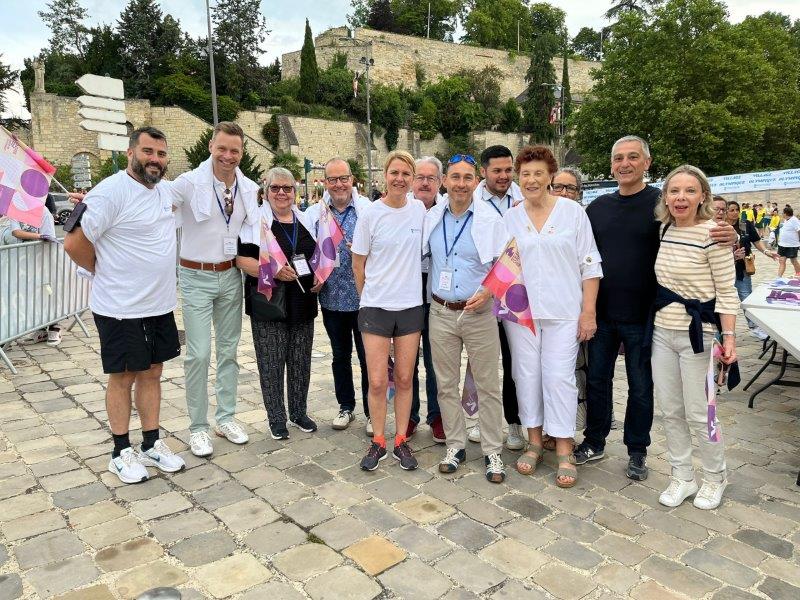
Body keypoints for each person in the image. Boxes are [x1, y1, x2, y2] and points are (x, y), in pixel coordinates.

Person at [577, 135, 736, 481]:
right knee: (598, 381)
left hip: (648, 318)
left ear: (647, 163)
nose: (625, 164)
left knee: (641, 387)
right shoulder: (598, 207)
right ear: (611, 165)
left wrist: (732, 236)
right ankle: (594, 439)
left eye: (633, 157)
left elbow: (697, 229)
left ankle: (637, 450)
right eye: (618, 158)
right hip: (601, 314)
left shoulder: (660, 208)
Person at [63, 127, 185, 484]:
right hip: (120, 307)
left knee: (153, 373)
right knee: (123, 376)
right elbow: (73, 244)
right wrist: (102, 271)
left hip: (158, 305)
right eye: (148, 152)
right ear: (132, 152)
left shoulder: (164, 192)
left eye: (161, 154)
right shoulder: (110, 192)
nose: (155, 160)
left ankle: (151, 442)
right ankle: (120, 450)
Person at [503, 145, 602, 488]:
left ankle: (563, 446)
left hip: (564, 311)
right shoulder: (511, 216)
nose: (531, 180)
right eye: (525, 174)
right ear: (519, 178)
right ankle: (533, 442)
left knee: (559, 377)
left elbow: (590, 263)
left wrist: (588, 312)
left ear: (550, 176)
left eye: (538, 173)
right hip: (521, 313)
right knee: (525, 375)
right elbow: (503, 266)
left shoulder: (572, 213)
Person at [170, 121, 260, 457]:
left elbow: (257, 231)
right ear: (211, 146)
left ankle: (225, 417)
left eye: (234, 150)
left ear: (241, 153)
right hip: (195, 276)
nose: (228, 155)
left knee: (229, 352)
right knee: (198, 354)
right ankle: (197, 427)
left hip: (230, 276)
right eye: (222, 148)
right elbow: (153, 199)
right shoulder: (188, 182)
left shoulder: (248, 188)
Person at [651, 165, 738, 510]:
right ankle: (682, 475)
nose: (681, 198)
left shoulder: (714, 234)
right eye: (674, 191)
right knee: (671, 410)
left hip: (698, 334)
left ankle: (715, 477)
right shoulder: (665, 229)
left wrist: (729, 337)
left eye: (689, 191)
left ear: (703, 195)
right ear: (666, 197)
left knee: (701, 412)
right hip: (662, 331)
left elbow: (727, 291)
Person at [425, 154, 508, 482]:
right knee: (445, 384)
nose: (461, 184)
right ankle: (456, 445)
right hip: (441, 311)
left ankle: (492, 451)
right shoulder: (431, 217)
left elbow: (507, 263)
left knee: (488, 385)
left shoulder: (490, 219)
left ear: (477, 181)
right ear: (445, 180)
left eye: (468, 177)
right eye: (455, 177)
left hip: (478, 312)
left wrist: (488, 292)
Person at [352, 150, 426, 471]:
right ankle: (379, 439)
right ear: (385, 175)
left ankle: (401, 441)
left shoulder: (420, 210)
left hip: (410, 307)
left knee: (406, 378)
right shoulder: (370, 214)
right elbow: (358, 263)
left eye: (406, 174)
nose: (399, 179)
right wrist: (368, 296)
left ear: (412, 179)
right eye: (394, 172)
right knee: (379, 381)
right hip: (376, 308)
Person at [237, 168, 319, 439]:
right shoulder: (255, 222)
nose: (281, 193)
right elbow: (242, 260)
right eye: (275, 188)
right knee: (271, 362)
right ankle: (277, 418)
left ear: (295, 192)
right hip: (269, 302)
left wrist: (321, 276)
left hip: (303, 300)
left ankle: (298, 412)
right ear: (265, 191)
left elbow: (319, 255)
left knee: (300, 361)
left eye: (287, 188)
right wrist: (271, 270)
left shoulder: (305, 219)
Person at [302, 158, 372, 432]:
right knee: (339, 356)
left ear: (352, 179)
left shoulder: (367, 210)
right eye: (332, 180)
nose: (339, 184)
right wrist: (313, 275)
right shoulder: (314, 213)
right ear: (325, 183)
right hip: (332, 298)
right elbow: (307, 251)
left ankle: (371, 411)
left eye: (343, 178)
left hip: (363, 298)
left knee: (368, 357)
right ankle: (346, 406)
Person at [470, 145, 525, 451]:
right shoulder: (472, 201)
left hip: (517, 292)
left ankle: (515, 423)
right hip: (484, 293)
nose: (504, 176)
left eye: (508, 170)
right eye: (497, 171)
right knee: (483, 364)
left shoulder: (523, 198)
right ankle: (483, 420)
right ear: (484, 172)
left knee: (516, 362)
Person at [409, 156, 443, 443]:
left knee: (436, 359)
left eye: (431, 178)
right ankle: (409, 415)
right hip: (405, 289)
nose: (424, 182)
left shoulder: (448, 210)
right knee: (407, 358)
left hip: (436, 291)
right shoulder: (399, 208)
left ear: (439, 182)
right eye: (420, 176)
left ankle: (438, 415)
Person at [3, 202, 61, 346]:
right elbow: (16, 232)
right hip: (23, 261)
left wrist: (41, 237)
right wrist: (39, 236)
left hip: (43, 259)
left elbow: (50, 237)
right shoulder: (14, 211)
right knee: (31, 293)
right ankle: (40, 328)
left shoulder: (44, 211)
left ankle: (55, 326)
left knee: (47, 292)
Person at [723, 199, 777, 339]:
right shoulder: (720, 226)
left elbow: (756, 241)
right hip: (722, 270)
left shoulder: (745, 225)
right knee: (722, 300)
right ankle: (722, 330)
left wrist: (766, 252)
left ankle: (754, 327)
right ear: (725, 212)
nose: (735, 213)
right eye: (731, 210)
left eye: (737, 210)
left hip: (742, 269)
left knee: (746, 296)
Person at [777, 206, 800, 277]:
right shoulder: (786, 220)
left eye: (782, 213)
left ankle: (798, 274)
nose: (782, 214)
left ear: (786, 214)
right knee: (781, 261)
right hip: (782, 245)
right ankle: (779, 277)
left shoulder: (795, 220)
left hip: (792, 245)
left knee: (793, 261)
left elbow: (799, 231)